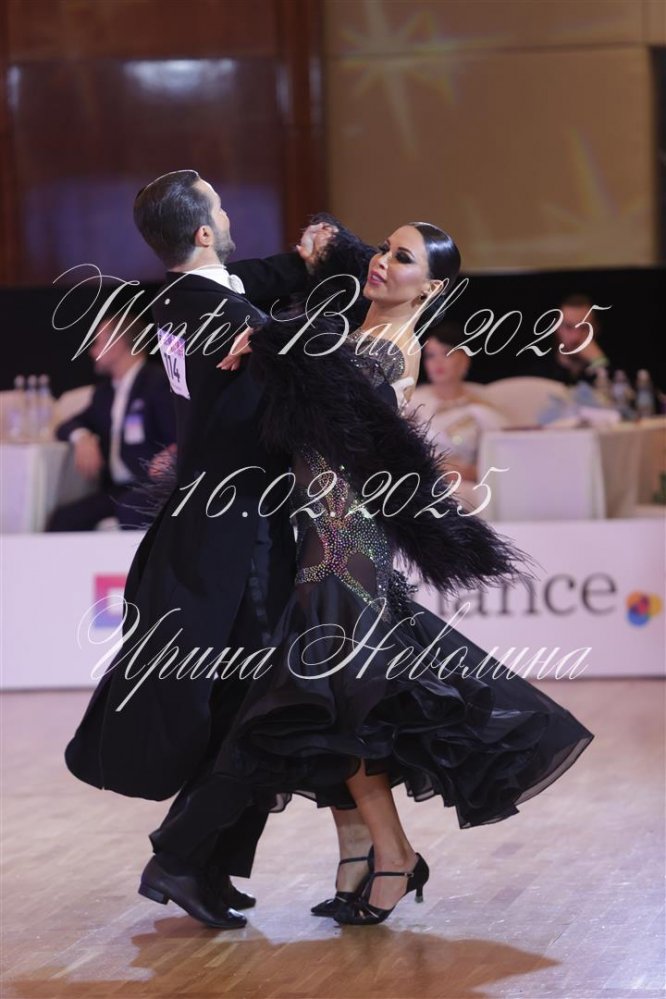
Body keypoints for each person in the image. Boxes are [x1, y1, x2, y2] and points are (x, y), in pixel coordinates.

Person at [155, 219, 594, 927]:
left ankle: (387, 855)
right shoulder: (355, 325)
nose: (384, 262)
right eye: (384, 249)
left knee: (339, 706)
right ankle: (366, 855)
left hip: (345, 546)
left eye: (403, 257)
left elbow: (322, 393)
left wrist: (267, 341)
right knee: (339, 706)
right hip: (323, 539)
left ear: (433, 288)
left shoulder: (389, 347)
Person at [64, 170, 335, 930]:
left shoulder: (186, 295)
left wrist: (308, 260)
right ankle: (183, 856)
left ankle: (205, 863)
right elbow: (256, 334)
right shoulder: (212, 312)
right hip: (234, 531)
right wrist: (276, 334)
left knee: (240, 697)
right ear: (207, 231)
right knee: (260, 697)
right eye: (219, 204)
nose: (228, 209)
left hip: (221, 522)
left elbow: (254, 284)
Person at [48, 316, 177, 530]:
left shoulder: (157, 382)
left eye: (98, 343)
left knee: (131, 508)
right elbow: (66, 426)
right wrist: (82, 437)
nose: (92, 351)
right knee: (64, 519)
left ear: (116, 343)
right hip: (119, 488)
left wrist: (173, 453)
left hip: (155, 485)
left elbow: (183, 433)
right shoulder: (105, 393)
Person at [406, 320, 507, 500]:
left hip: (464, 488)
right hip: (419, 483)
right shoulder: (412, 404)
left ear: (465, 359)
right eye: (430, 356)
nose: (437, 362)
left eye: (447, 353)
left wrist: (469, 472)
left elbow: (503, 461)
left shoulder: (481, 408)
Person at [541, 293, 611, 386]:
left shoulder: (616, 374)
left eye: (584, 327)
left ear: (596, 328)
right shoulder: (536, 375)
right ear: (556, 328)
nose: (576, 337)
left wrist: (600, 363)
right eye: (568, 327)